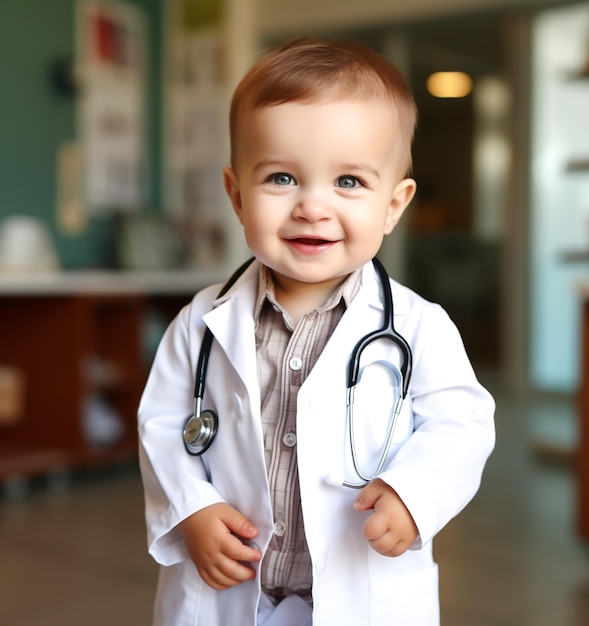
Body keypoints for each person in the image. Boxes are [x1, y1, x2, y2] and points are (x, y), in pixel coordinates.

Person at [138, 37, 496, 626]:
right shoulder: (201, 323)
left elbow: (461, 425)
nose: (311, 206)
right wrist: (190, 509)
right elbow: (162, 424)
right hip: (232, 587)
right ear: (236, 195)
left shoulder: (419, 328)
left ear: (394, 204)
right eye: (280, 178)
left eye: (349, 182)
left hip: (360, 587)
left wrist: (415, 494)